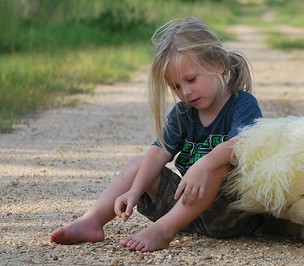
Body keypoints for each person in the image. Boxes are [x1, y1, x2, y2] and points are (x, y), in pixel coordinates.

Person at [50, 16, 267, 252]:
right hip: (186, 211)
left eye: (191, 79)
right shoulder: (184, 112)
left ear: (218, 64)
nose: (185, 92)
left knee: (219, 165)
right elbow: (160, 150)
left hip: (232, 215)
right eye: (175, 86)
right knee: (139, 164)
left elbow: (243, 143)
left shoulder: (241, 103)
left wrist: (204, 164)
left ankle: (163, 231)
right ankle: (92, 221)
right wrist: (134, 190)